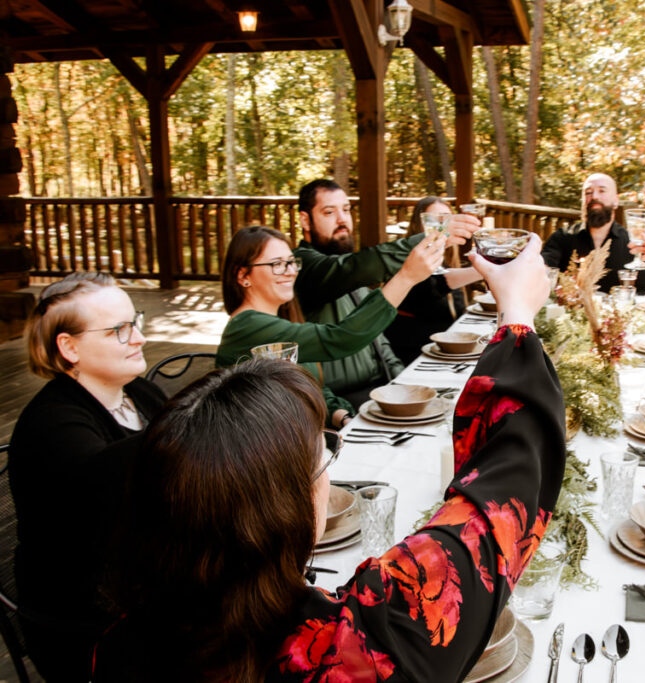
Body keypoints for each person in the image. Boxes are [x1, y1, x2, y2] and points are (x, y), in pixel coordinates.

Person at [94, 234, 565, 682]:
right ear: (282, 509)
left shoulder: (116, 647)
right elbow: (499, 506)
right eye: (323, 458)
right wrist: (518, 316)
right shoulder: (351, 652)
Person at [9, 272, 166, 682]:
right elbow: (122, 489)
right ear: (69, 347)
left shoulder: (141, 394)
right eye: (120, 330)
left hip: (151, 589)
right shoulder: (53, 425)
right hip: (86, 629)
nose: (139, 339)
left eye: (137, 322)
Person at [215, 225, 441, 425]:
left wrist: (338, 414)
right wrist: (406, 277)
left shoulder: (278, 321)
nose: (291, 271)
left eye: (291, 262)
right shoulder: (248, 326)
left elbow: (306, 384)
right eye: (276, 264)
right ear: (244, 275)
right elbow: (342, 338)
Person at [293, 180, 481, 406]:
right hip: (340, 402)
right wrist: (432, 237)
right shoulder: (303, 267)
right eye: (329, 212)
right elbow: (350, 269)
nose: (342, 219)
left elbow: (380, 342)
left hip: (382, 391)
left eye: (346, 210)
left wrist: (403, 383)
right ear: (305, 219)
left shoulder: (352, 271)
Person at [384, 196, 485, 364]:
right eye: (435, 219)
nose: (443, 224)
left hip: (446, 347)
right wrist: (486, 268)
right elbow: (436, 285)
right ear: (420, 225)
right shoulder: (408, 260)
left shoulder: (449, 257)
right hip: (415, 351)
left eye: (447, 218)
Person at [542, 173, 645, 294]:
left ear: (616, 201)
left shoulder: (632, 244)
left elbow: (642, 292)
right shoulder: (562, 237)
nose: (594, 196)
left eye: (602, 191)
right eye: (588, 192)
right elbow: (543, 271)